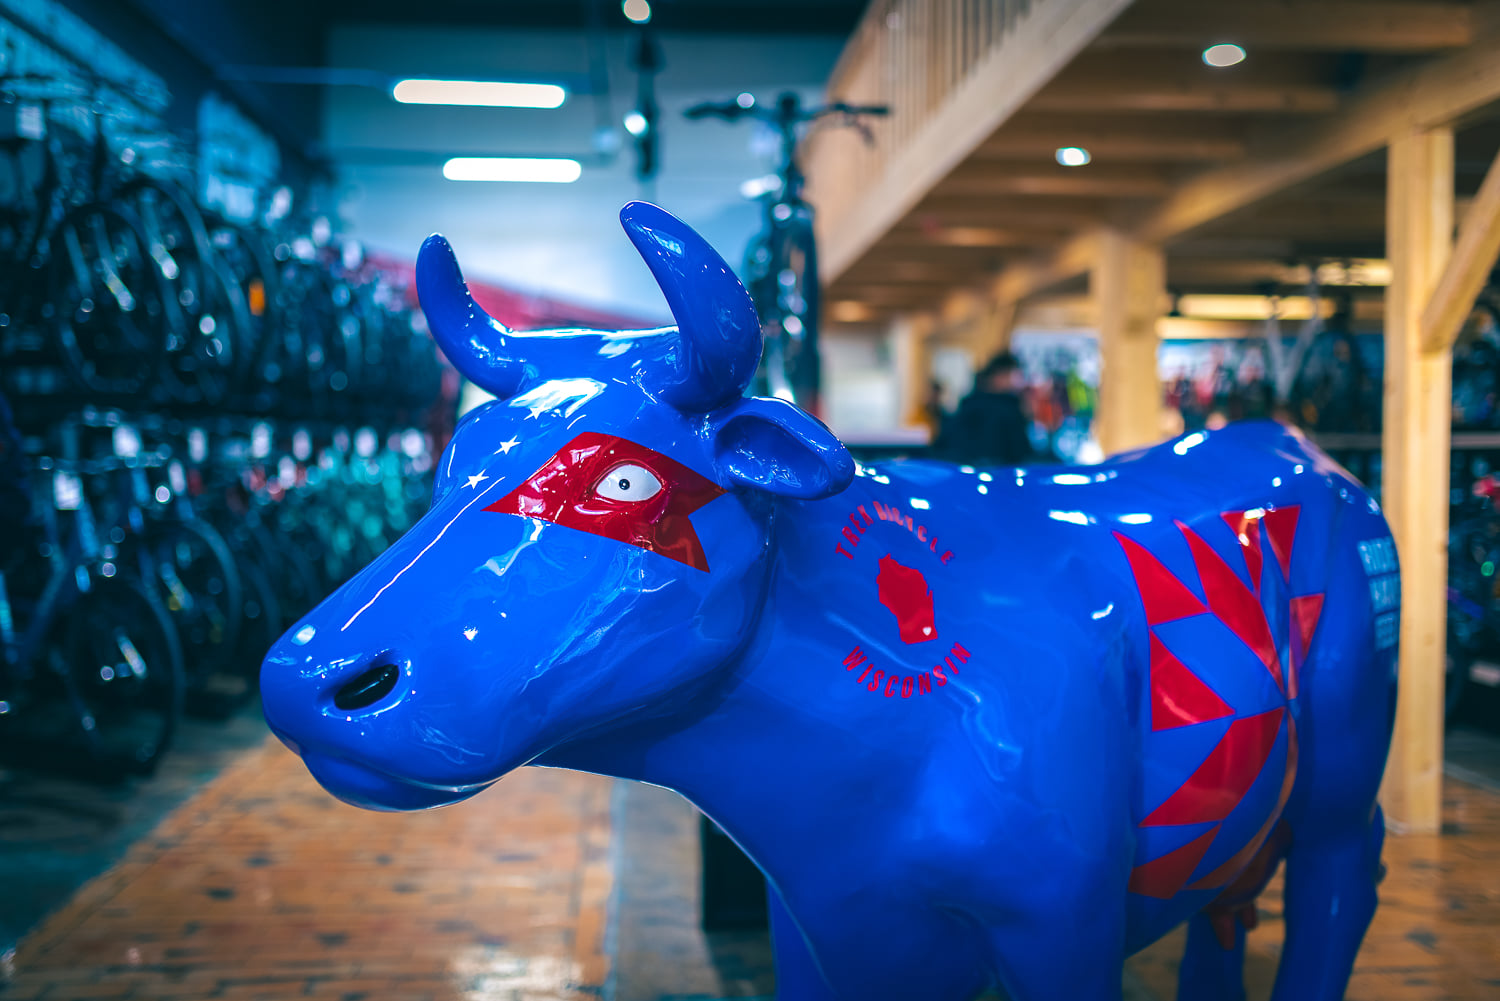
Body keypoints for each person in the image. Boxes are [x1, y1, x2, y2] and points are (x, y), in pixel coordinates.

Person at [934, 351, 1036, 466]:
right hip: (1002, 473)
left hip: (963, 471)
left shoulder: (968, 404)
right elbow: (1020, 453)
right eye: (1012, 376)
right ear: (999, 376)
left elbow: (945, 444)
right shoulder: (1009, 409)